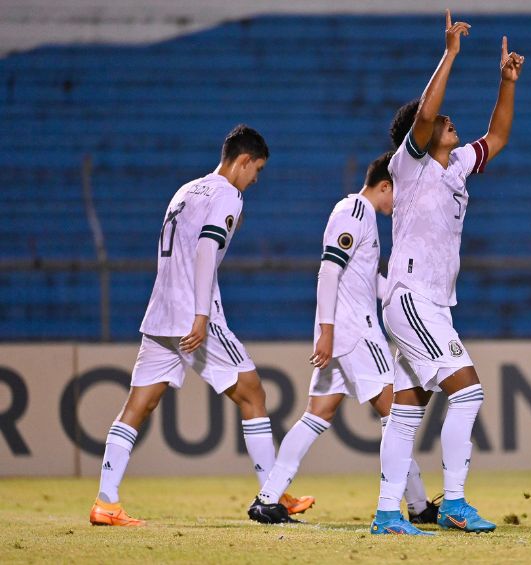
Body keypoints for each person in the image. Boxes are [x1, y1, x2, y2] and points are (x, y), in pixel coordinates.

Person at [89, 124, 312, 526]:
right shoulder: (229, 194)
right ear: (243, 161)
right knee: (253, 393)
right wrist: (201, 314)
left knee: (139, 404)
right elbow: (207, 246)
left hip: (161, 310)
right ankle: (271, 496)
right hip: (194, 312)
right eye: (256, 170)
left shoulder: (187, 190)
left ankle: (106, 502)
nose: (255, 179)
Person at [370, 10, 524, 535]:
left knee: (407, 410)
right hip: (413, 298)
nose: (450, 121)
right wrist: (451, 53)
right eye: (442, 120)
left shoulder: (455, 166)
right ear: (425, 131)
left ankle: (389, 512)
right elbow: (423, 115)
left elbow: (498, 137)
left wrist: (505, 83)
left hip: (432, 302)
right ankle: (455, 503)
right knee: (469, 392)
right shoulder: (408, 166)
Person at [246, 152, 439, 525]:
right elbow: (329, 271)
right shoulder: (354, 213)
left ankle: (268, 499)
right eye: (397, 193)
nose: (398, 202)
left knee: (316, 414)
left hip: (343, 332)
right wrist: (328, 332)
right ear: (385, 185)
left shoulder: (359, 215)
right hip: (355, 333)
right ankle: (417, 506)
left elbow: (365, 281)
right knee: (397, 416)